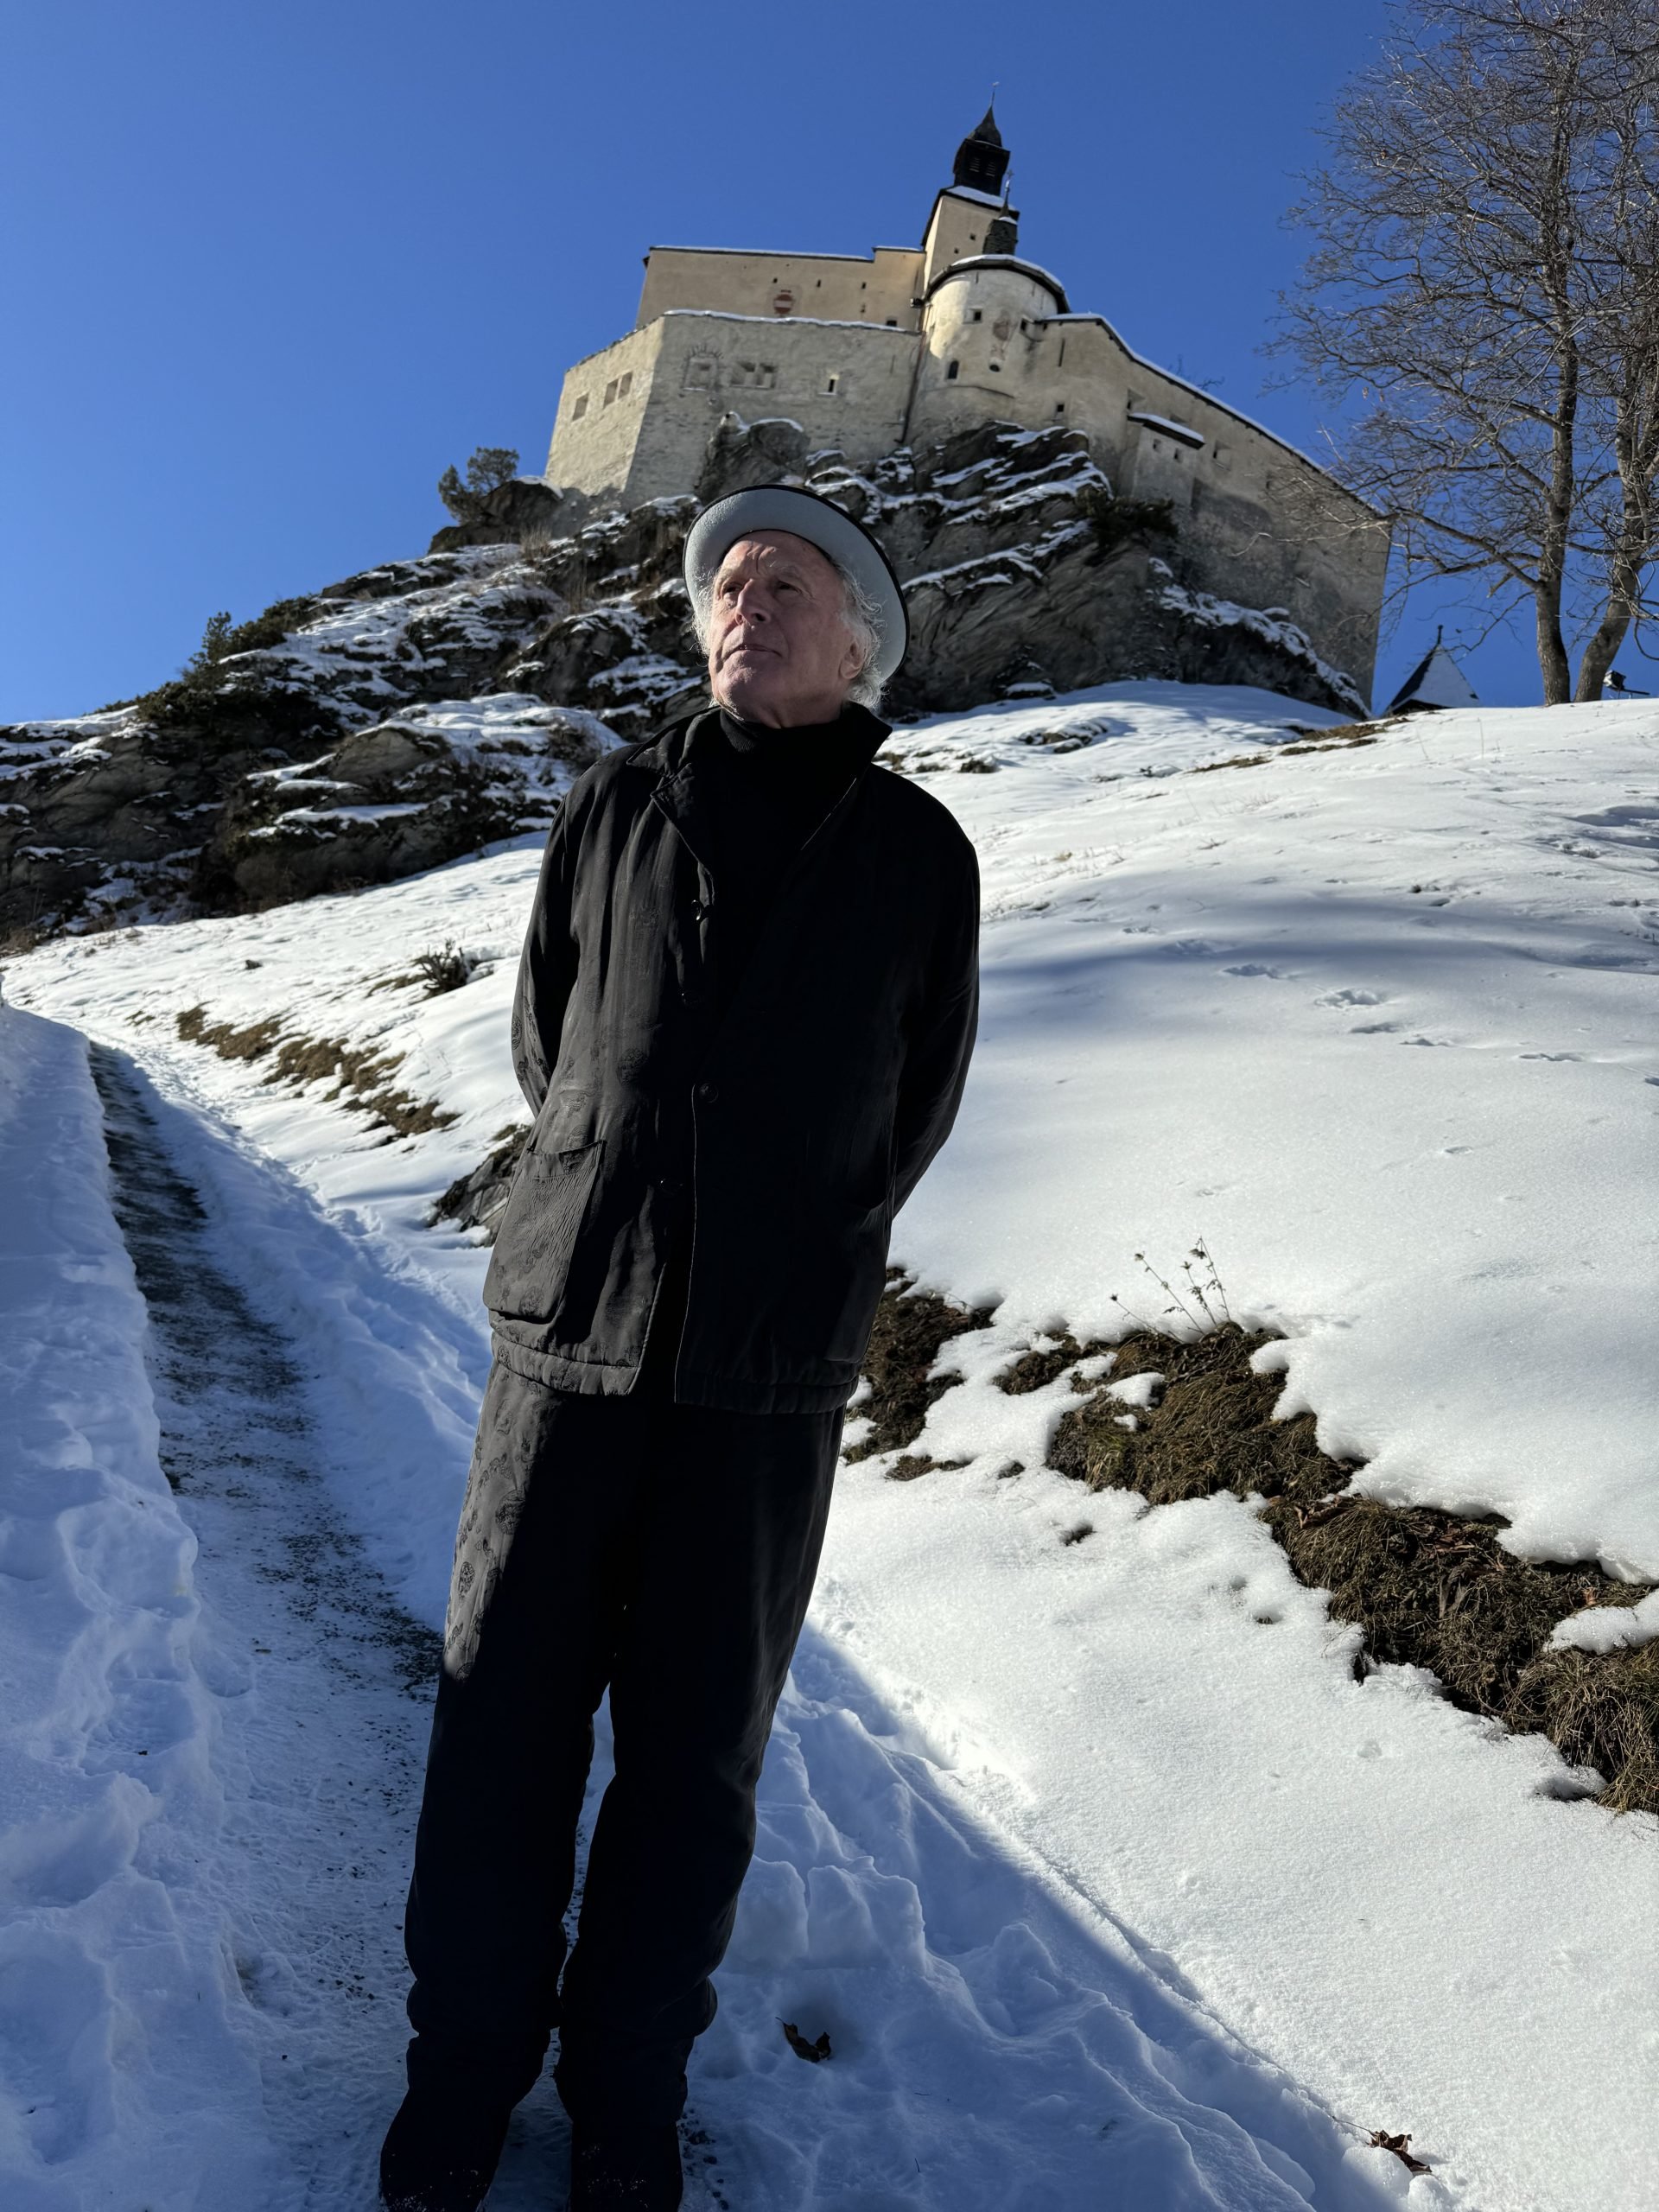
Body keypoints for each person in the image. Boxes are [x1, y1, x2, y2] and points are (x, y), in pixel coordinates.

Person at [379, 485, 981, 2211]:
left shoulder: (918, 852)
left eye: (787, 582)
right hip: (570, 1338)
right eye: (727, 580)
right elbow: (551, 1038)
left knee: (694, 1755)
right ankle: (462, 2074)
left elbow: (910, 1106)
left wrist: (786, 1229)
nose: (745, 601)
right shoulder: (613, 806)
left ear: (860, 639)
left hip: (764, 1375)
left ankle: (624, 2089)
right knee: (501, 1721)